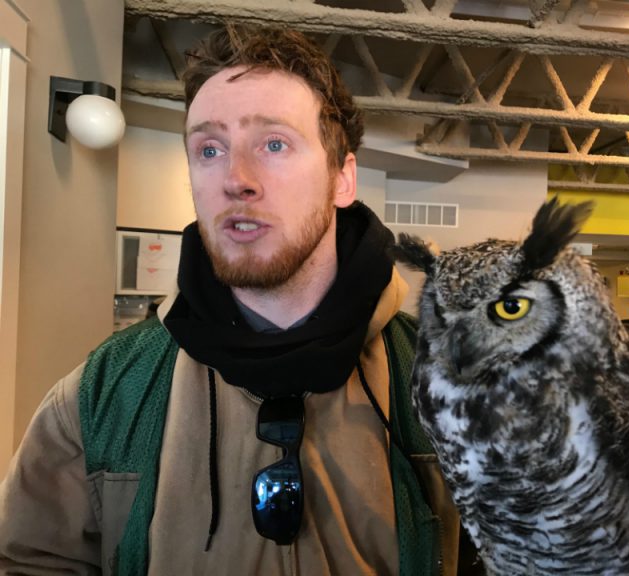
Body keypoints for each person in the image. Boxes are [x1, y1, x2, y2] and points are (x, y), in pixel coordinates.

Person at [0, 24, 470, 575]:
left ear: (342, 179)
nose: (236, 179)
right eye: (210, 148)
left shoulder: (450, 389)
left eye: (273, 143)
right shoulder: (104, 393)